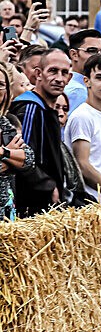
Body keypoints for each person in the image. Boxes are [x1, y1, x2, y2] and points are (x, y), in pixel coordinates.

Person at [11, 48, 71, 215]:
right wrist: (48, 186)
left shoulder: (48, 110)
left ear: (69, 78)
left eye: (64, 73)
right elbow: (23, 156)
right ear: (38, 74)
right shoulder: (30, 108)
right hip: (30, 207)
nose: (59, 78)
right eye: (53, 71)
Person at [65, 53, 101, 204]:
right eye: (100, 77)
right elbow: (82, 164)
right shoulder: (82, 116)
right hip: (91, 202)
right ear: (87, 81)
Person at [0, 62, 34, 220]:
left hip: (6, 213)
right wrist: (11, 157)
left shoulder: (4, 122)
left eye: (1, 85)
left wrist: (3, 152)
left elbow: (28, 159)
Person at [64, 28, 101, 114]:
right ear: (74, 54)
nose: (100, 56)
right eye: (92, 51)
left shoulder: (84, 87)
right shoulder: (78, 92)